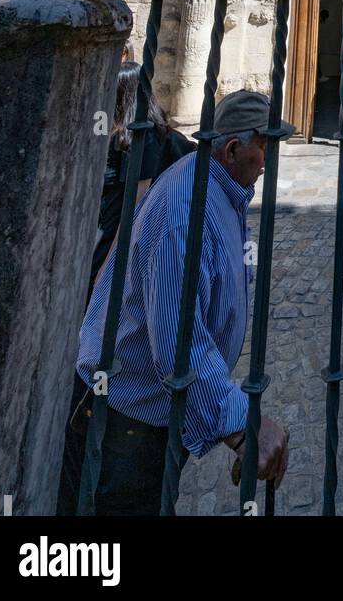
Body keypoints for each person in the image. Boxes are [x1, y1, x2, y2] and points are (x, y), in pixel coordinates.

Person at [57, 90, 292, 516]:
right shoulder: (186, 212)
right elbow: (179, 344)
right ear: (234, 148)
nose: (270, 161)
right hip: (127, 420)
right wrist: (241, 425)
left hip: (152, 413)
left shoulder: (222, 185)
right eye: (265, 148)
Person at [90, 62, 194, 293]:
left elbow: (135, 208)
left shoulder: (144, 138)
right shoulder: (121, 134)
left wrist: (109, 265)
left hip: (119, 240)